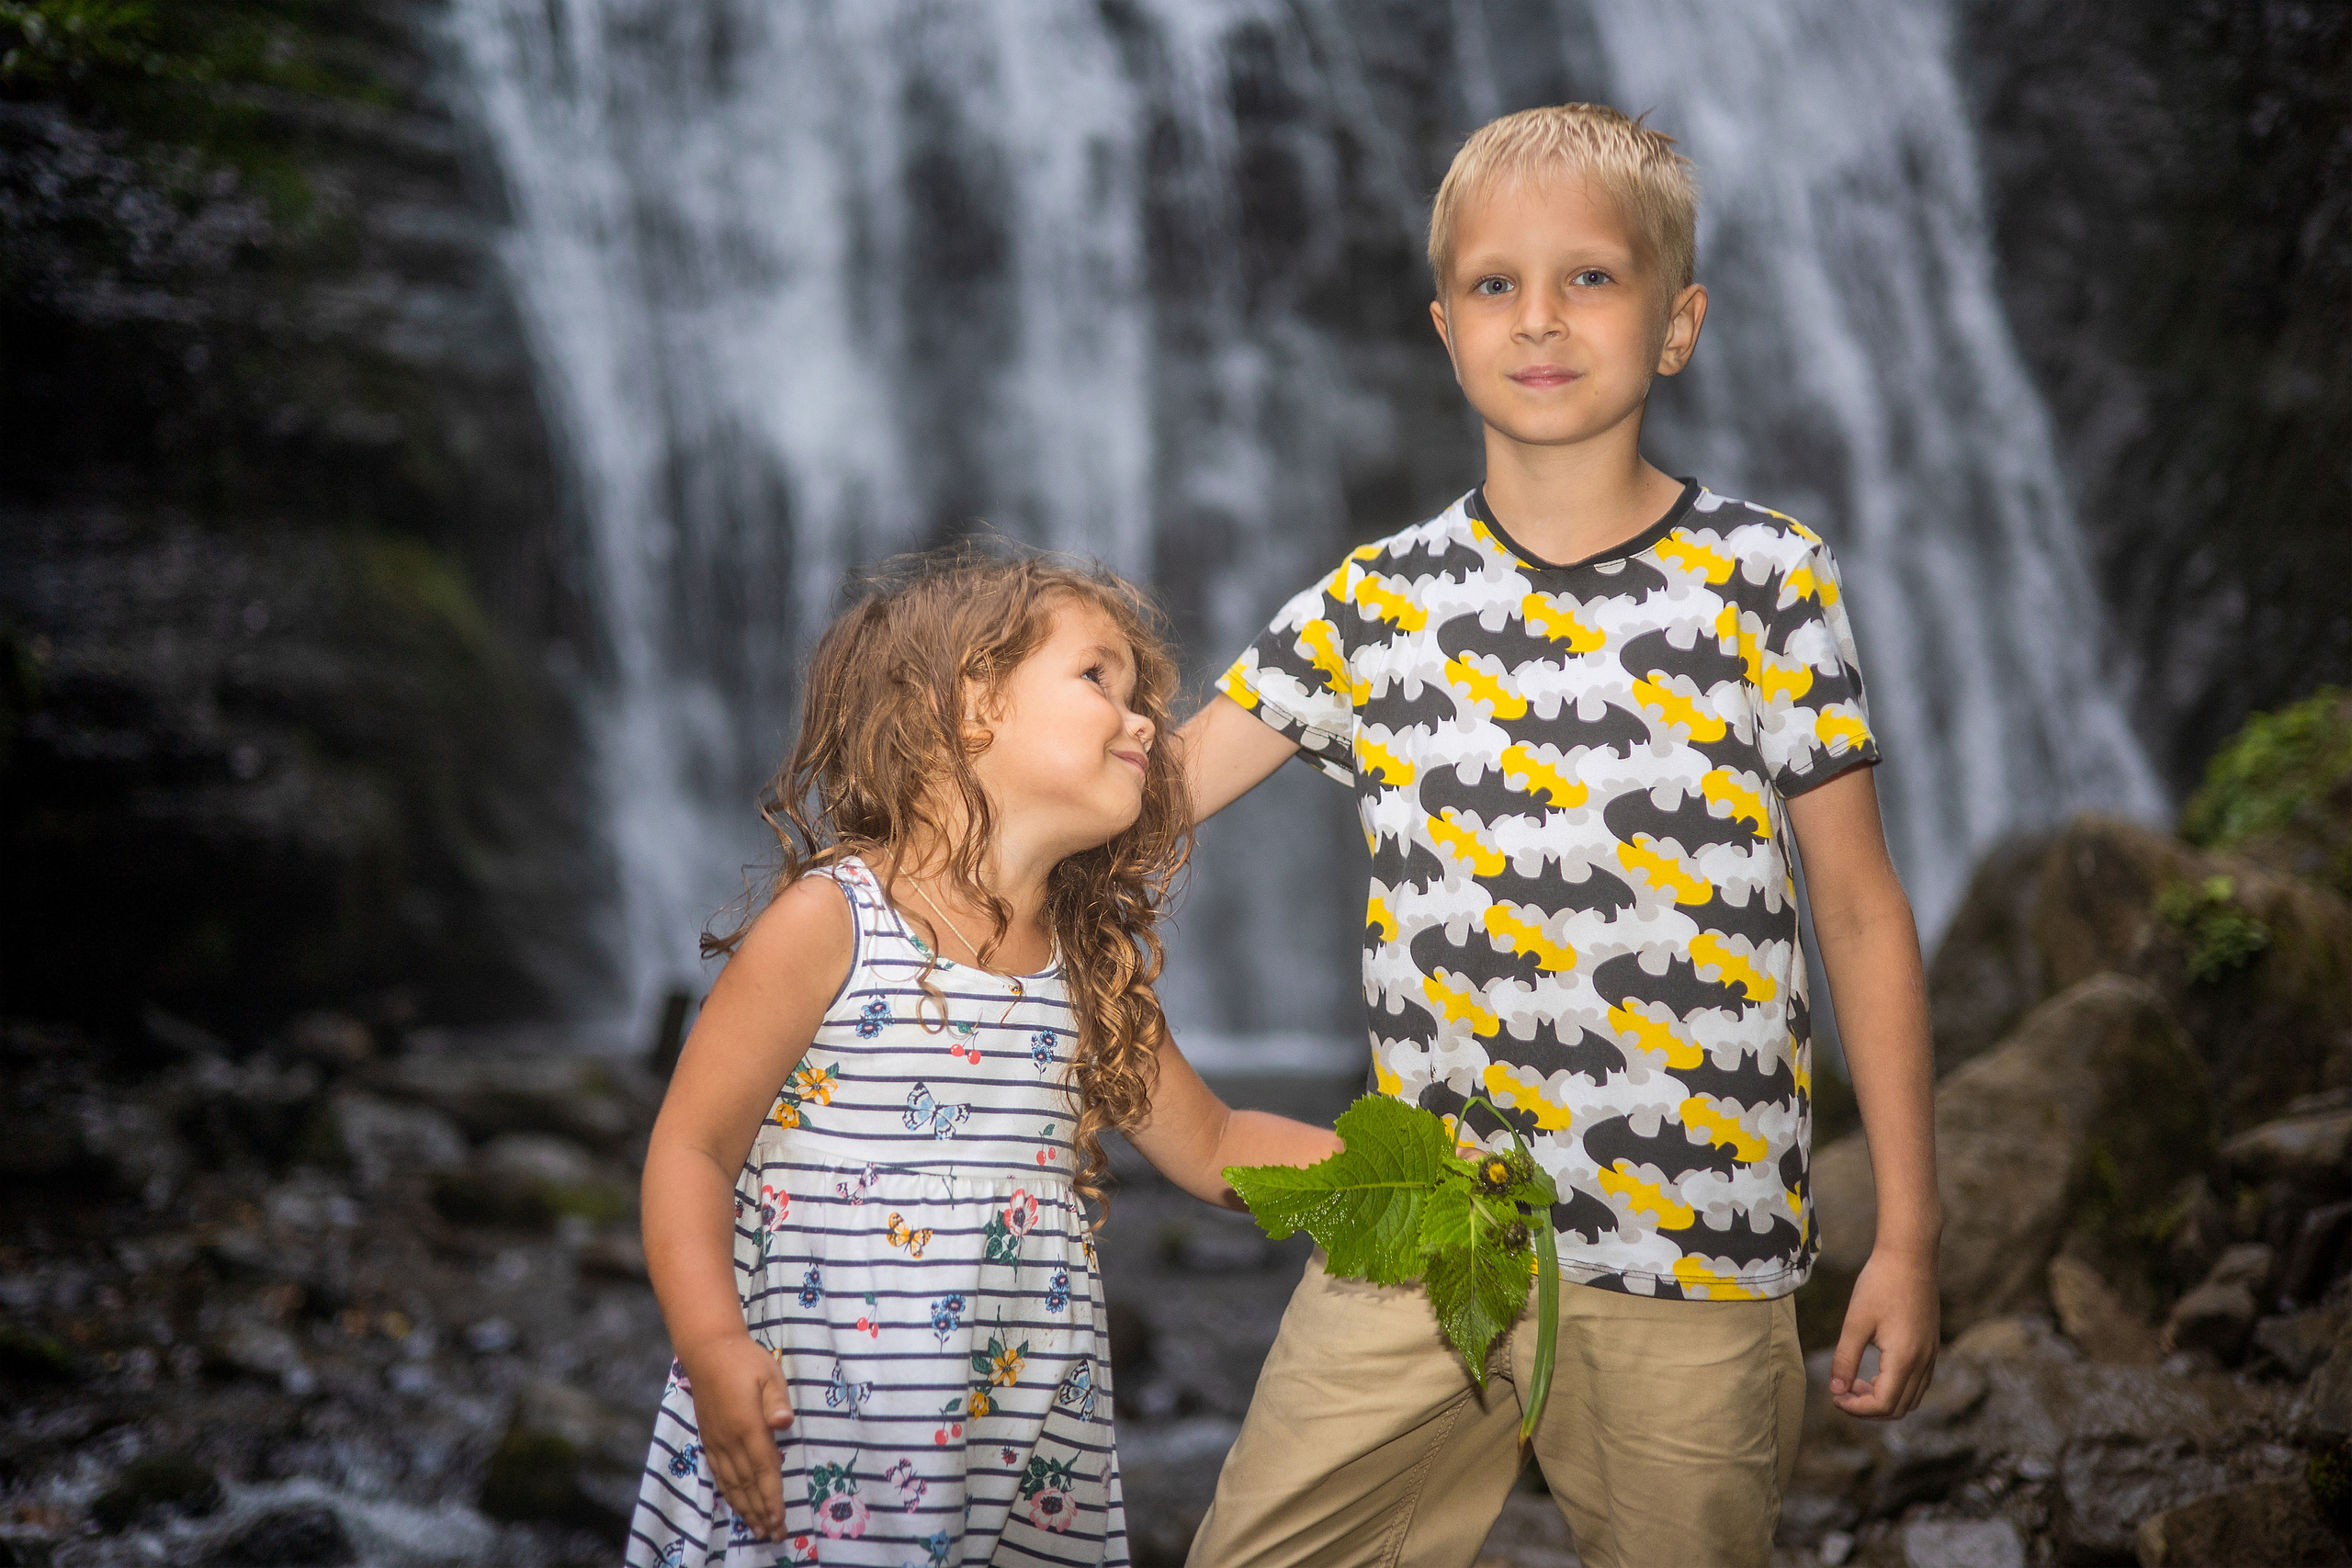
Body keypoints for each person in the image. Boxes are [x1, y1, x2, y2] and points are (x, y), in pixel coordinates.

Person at [1178, 104, 1941, 1568]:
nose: (1539, 318)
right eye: (1494, 285)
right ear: (1445, 327)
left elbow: (1857, 910)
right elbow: (1143, 804)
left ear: (1678, 323)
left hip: (1699, 1254)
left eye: (1589, 278)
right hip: (1420, 1232)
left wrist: (1904, 1233)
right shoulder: (1372, 606)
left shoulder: (1769, 579)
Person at [624, 552, 1340, 1568]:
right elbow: (690, 1151)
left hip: (1016, 1441)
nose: (1142, 721)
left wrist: (1403, 1174)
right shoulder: (833, 922)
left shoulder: (1087, 976)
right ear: (969, 705)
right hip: (823, 1426)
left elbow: (1218, 1146)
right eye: (1097, 679)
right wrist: (712, 1348)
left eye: (1139, 699)